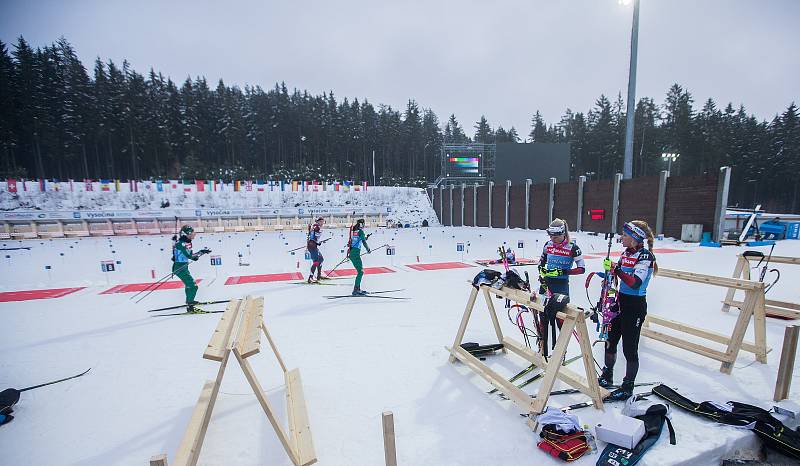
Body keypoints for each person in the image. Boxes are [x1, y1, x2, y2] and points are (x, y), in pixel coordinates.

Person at [598, 220, 657, 400]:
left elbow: (635, 282)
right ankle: (607, 374)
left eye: (624, 235)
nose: (621, 238)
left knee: (629, 348)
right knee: (610, 340)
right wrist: (609, 276)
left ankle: (627, 386)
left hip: (635, 305)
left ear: (634, 238)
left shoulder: (645, 257)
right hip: (620, 302)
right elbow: (621, 278)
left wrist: (617, 269)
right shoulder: (626, 253)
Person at [538, 218, 586, 297]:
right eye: (550, 236)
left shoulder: (573, 248)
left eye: (555, 237)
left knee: (560, 308)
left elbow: (581, 269)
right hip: (546, 282)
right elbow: (541, 261)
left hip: (561, 284)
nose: (552, 239)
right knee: (540, 307)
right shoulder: (548, 245)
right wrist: (541, 272)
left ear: (563, 234)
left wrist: (563, 272)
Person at [172, 225, 210, 313]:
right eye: (193, 232)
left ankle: (190, 302)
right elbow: (189, 255)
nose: (194, 234)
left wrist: (201, 252)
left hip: (184, 267)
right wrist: (196, 256)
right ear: (188, 234)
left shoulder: (188, 243)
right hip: (179, 268)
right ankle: (190, 307)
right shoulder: (180, 244)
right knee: (194, 286)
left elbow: (191, 254)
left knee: (189, 286)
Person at [348, 218, 371, 296]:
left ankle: (357, 289)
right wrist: (368, 249)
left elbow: (358, 239)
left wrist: (365, 237)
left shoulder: (354, 231)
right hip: (355, 254)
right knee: (360, 272)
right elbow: (363, 242)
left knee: (360, 272)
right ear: (362, 224)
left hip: (352, 253)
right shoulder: (360, 231)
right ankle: (355, 290)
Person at [307, 217, 325, 283]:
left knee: (321, 259)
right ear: (319, 222)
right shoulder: (317, 227)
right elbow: (314, 237)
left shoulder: (315, 226)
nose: (323, 223)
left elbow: (312, 235)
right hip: (312, 246)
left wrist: (317, 242)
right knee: (316, 261)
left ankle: (319, 276)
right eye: (322, 221)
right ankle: (310, 278)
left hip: (313, 245)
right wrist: (318, 242)